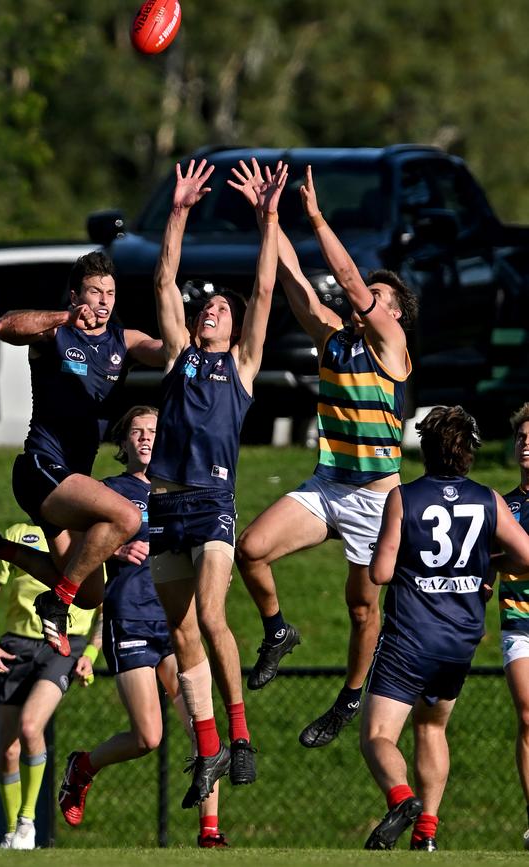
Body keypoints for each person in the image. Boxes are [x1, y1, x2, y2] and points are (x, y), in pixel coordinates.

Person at [231, 160, 419, 747]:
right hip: (327, 486)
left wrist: (313, 214)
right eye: (371, 296)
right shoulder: (336, 339)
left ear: (393, 315)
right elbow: (294, 278)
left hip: (377, 500)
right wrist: (270, 217)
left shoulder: (392, 344)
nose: (368, 298)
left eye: (379, 297)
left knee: (363, 611)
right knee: (251, 550)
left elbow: (346, 276)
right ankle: (277, 631)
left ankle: (349, 698)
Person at [148, 157, 287, 808]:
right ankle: (207, 746)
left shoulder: (244, 365)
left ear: (234, 327)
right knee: (180, 634)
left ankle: (238, 735)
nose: (212, 309)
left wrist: (269, 219)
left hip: (212, 506)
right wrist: (178, 212)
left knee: (210, 614)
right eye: (208, 305)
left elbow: (262, 292)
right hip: (164, 506)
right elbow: (164, 278)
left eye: (221, 308)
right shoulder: (180, 354)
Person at [0, 251, 163, 655]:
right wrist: (65, 318)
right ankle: (54, 602)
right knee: (127, 516)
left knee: (90, 594)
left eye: (109, 293)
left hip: (71, 481)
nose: (103, 301)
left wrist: (199, 342)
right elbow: (5, 325)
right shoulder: (54, 334)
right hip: (39, 470)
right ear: (76, 294)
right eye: (94, 291)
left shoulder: (122, 341)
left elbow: (163, 351)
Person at [57, 405, 228, 848]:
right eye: (137, 431)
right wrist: (112, 551)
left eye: (154, 430)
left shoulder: (183, 489)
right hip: (129, 616)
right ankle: (83, 766)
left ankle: (209, 834)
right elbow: (74, 549)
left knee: (203, 730)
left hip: (178, 623)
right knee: (148, 737)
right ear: (124, 442)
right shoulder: (107, 492)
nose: (147, 438)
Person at [360, 405, 529, 850]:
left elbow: (379, 573)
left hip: (409, 638)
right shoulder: (490, 499)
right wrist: (481, 565)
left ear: (426, 449)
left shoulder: (404, 497)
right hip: (459, 642)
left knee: (377, 735)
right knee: (432, 728)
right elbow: (526, 556)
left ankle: (401, 800)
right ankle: (426, 835)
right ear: (469, 452)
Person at [0, 520, 101, 849]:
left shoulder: (85, 536)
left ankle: (27, 823)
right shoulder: (18, 533)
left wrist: (91, 651)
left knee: (31, 728)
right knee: (8, 750)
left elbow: (106, 603)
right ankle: (10, 832)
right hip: (16, 646)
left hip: (63, 644)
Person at [497, 402, 529, 849]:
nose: (525, 445)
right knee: (528, 714)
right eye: (521, 438)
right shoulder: (504, 505)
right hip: (519, 622)